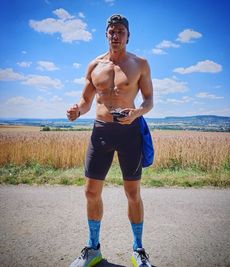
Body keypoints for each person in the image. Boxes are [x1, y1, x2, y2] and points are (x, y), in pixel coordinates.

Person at [67, 14, 153, 267]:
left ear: (128, 36)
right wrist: (77, 111)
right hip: (101, 131)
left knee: (132, 192)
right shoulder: (94, 65)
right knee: (91, 191)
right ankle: (93, 249)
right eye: (112, 31)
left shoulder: (140, 64)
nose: (116, 35)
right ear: (106, 35)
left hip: (130, 133)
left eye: (121, 31)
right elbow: (86, 102)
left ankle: (138, 250)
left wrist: (137, 112)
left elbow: (149, 100)